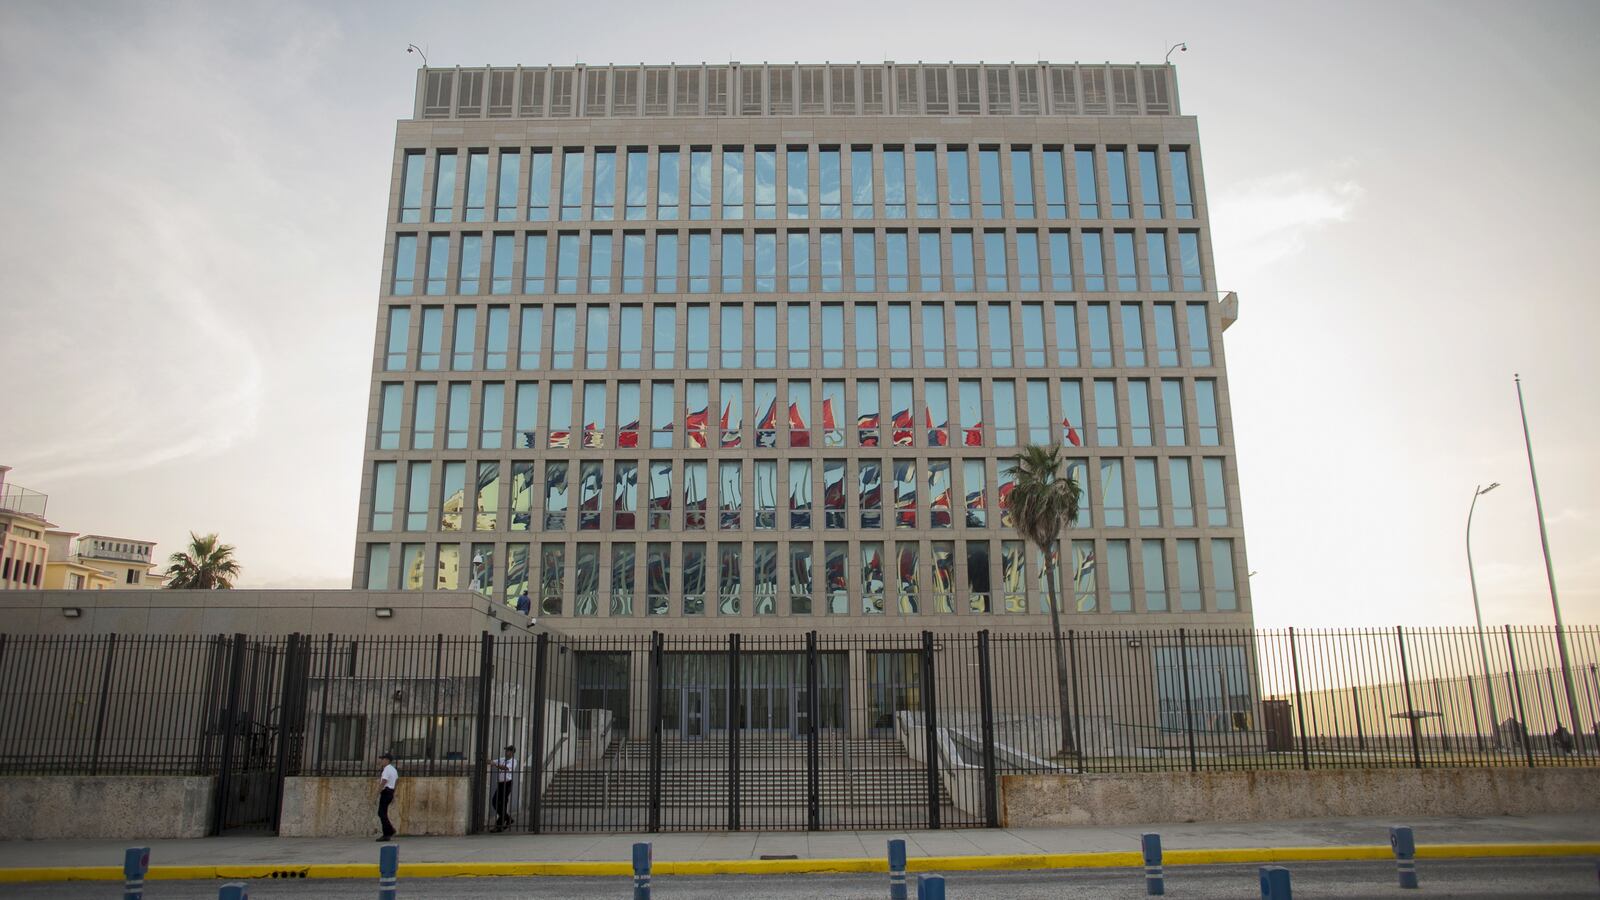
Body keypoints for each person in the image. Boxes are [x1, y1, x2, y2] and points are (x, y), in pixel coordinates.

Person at [490, 745, 517, 832]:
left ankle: (499, 826)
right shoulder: (502, 759)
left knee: (502, 804)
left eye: (508, 751)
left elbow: (506, 768)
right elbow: (492, 762)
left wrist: (496, 765)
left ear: (512, 753)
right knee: (495, 802)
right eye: (506, 750)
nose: (506, 752)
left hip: (507, 784)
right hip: (500, 784)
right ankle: (508, 818)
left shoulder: (513, 761)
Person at [376, 751, 398, 842]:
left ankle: (387, 833)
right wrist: (393, 793)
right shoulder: (393, 770)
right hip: (390, 791)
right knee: (382, 813)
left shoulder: (387, 769)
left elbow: (384, 781)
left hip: (386, 792)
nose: (381, 761)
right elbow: (396, 781)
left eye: (383, 759)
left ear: (387, 760)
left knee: (381, 813)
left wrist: (377, 792)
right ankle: (389, 830)